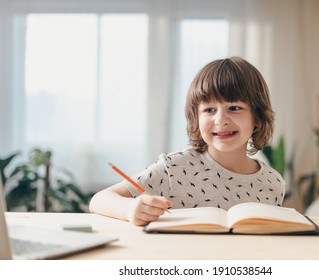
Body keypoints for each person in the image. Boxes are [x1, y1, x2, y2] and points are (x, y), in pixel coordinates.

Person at [89, 56, 285, 226]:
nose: (221, 120)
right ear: (196, 118)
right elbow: (99, 200)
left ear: (257, 117)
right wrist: (130, 208)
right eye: (209, 110)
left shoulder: (273, 184)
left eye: (234, 108)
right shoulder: (173, 168)